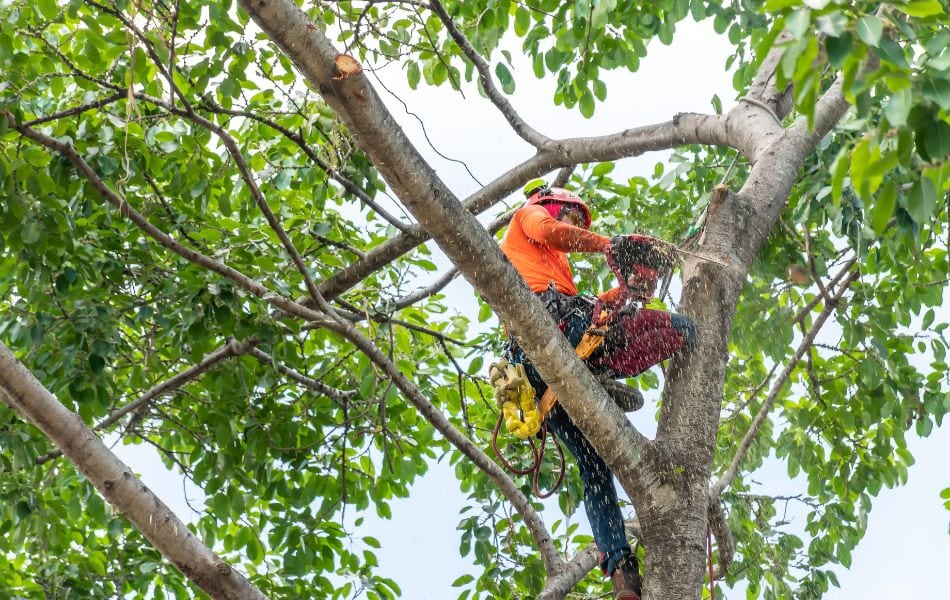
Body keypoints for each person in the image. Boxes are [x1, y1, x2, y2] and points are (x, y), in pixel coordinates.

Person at [498, 185, 697, 600]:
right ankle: (601, 372)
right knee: (679, 329)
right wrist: (612, 246)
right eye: (573, 218)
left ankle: (621, 571)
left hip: (552, 375)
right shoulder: (529, 219)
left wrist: (627, 290)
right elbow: (553, 232)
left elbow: (592, 307)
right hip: (553, 336)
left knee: (595, 472)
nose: (574, 229)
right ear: (554, 205)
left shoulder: (555, 269)